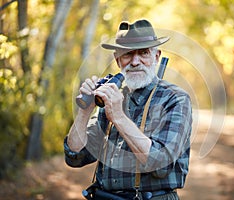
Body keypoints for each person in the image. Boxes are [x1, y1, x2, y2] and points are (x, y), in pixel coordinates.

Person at [64, 19, 193, 200]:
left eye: (144, 53)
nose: (135, 61)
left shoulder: (174, 99)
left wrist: (118, 116)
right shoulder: (112, 96)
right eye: (127, 54)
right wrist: (85, 111)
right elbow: (76, 156)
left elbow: (161, 164)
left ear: (156, 57)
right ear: (118, 60)